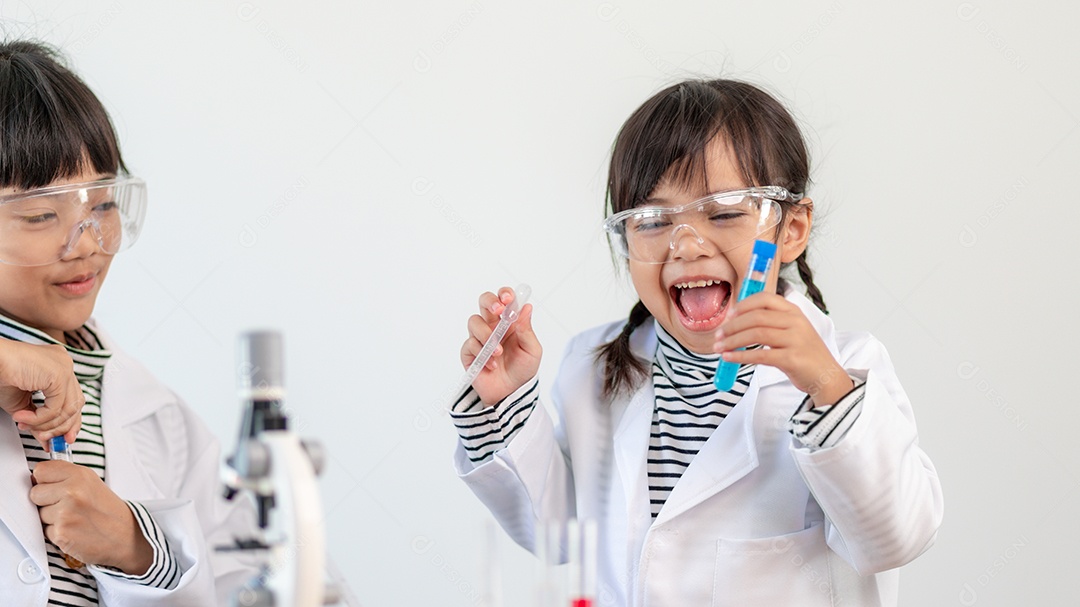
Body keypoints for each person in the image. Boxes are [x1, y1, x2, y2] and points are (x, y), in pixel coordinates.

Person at [450, 79, 944, 606]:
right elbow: (560, 534)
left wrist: (825, 386)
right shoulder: (594, 369)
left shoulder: (848, 369)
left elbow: (896, 536)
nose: (686, 244)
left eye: (726, 211)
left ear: (792, 228)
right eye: (654, 220)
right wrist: (501, 403)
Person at [0, 40, 258, 605]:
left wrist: (136, 549)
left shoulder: (155, 416)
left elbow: (255, 585)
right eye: (43, 213)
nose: (87, 244)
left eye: (103, 205)